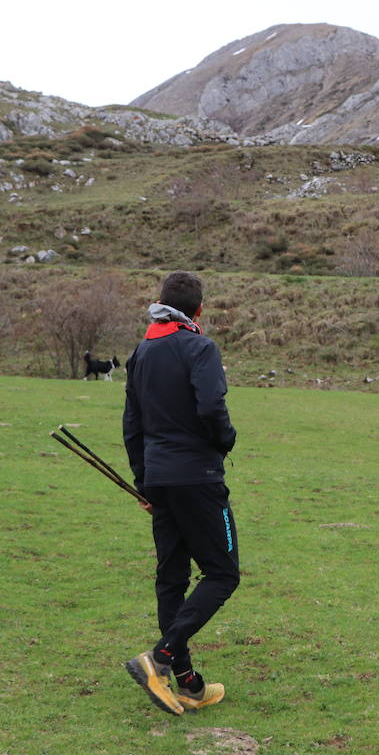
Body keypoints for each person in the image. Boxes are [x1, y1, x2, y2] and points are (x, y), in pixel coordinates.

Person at [122, 271, 238, 715]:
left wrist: (143, 481)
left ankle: (187, 682)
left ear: (160, 304)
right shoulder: (200, 347)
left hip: (160, 480)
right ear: (199, 310)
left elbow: (132, 424)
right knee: (223, 573)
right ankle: (162, 657)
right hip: (198, 478)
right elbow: (211, 407)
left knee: (172, 578)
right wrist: (225, 440)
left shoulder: (143, 351)